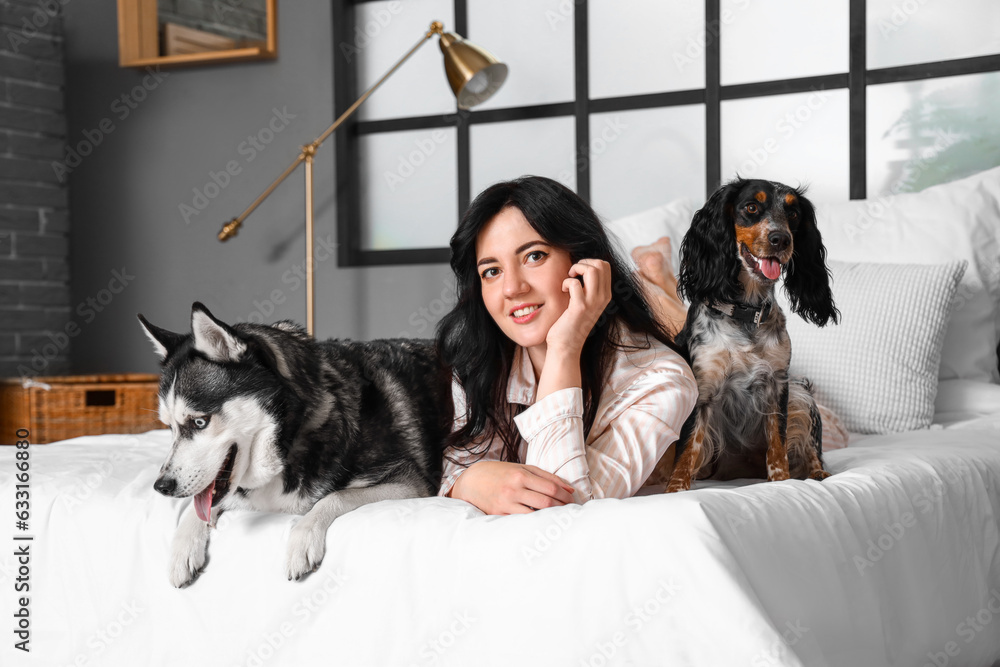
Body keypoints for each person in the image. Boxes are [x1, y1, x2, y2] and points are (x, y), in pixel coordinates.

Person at [435, 176, 698, 515]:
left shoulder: (663, 379)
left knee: (695, 332)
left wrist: (564, 347)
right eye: (491, 271)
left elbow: (560, 510)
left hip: (722, 422)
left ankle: (657, 276)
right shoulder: (476, 361)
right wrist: (469, 481)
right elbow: (454, 469)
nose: (512, 288)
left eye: (534, 256)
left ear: (583, 260)